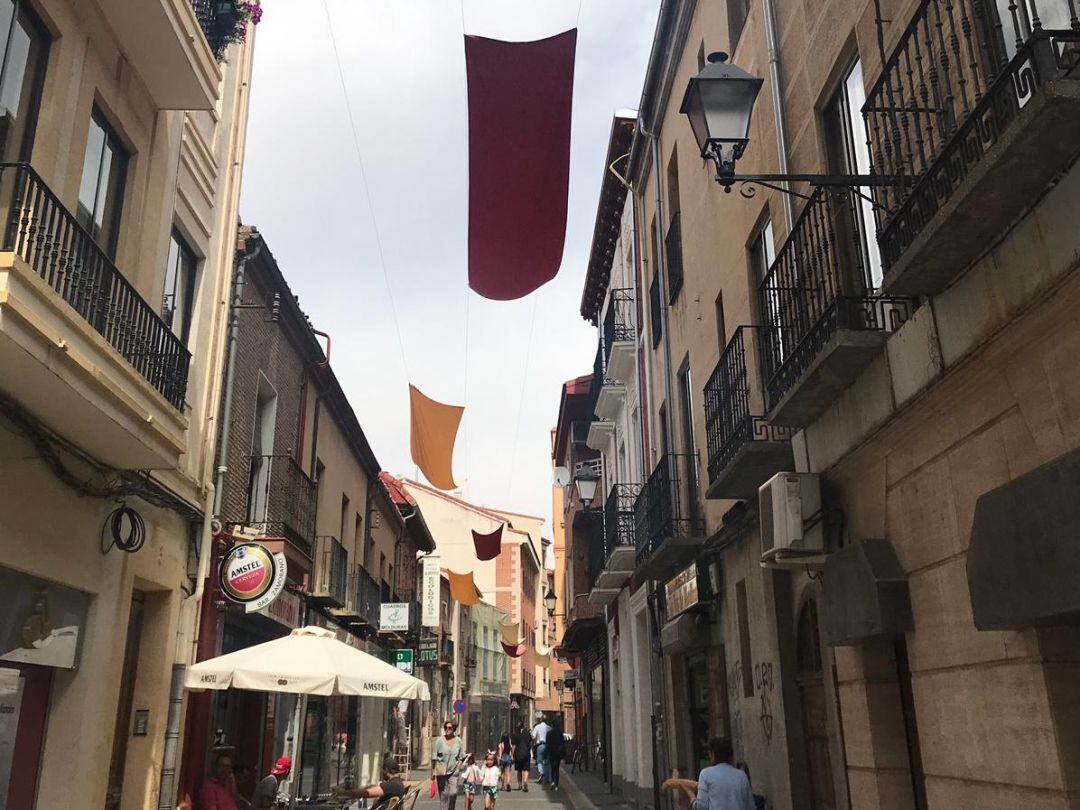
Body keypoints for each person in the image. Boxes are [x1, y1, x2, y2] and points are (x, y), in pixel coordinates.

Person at [695, 738, 755, 810]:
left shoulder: (705, 774)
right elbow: (750, 806)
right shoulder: (741, 776)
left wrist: (692, 799)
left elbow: (701, 806)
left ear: (713, 754)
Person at [332, 755, 407, 810]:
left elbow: (366, 793)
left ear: (386, 770)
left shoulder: (392, 785)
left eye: (382, 770)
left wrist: (343, 792)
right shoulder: (397, 783)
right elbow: (374, 789)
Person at [432, 719, 465, 810]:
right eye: (445, 727)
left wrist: (460, 763)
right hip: (441, 771)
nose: (447, 729)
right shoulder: (439, 741)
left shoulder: (458, 741)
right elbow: (434, 757)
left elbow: (462, 756)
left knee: (453, 793)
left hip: (453, 771)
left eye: (449, 728)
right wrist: (432, 773)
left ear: (454, 728)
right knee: (443, 795)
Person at [530, 715, 551, 784]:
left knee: (539, 761)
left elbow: (533, 736)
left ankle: (541, 773)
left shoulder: (537, 727)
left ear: (541, 720)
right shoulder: (549, 728)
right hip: (547, 746)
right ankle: (547, 778)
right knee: (547, 763)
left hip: (540, 745)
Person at [545, 720, 565, 791]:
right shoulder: (560, 734)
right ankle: (556, 785)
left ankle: (552, 781)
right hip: (558, 753)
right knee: (557, 768)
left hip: (551, 753)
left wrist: (546, 753)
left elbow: (547, 744)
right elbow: (563, 744)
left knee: (552, 768)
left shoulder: (549, 733)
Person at [511, 724, 532, 791]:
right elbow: (531, 743)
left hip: (518, 754)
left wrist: (512, 754)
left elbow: (514, 746)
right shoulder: (527, 734)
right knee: (526, 769)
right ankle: (525, 781)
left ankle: (520, 784)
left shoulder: (515, 735)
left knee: (519, 770)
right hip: (526, 753)